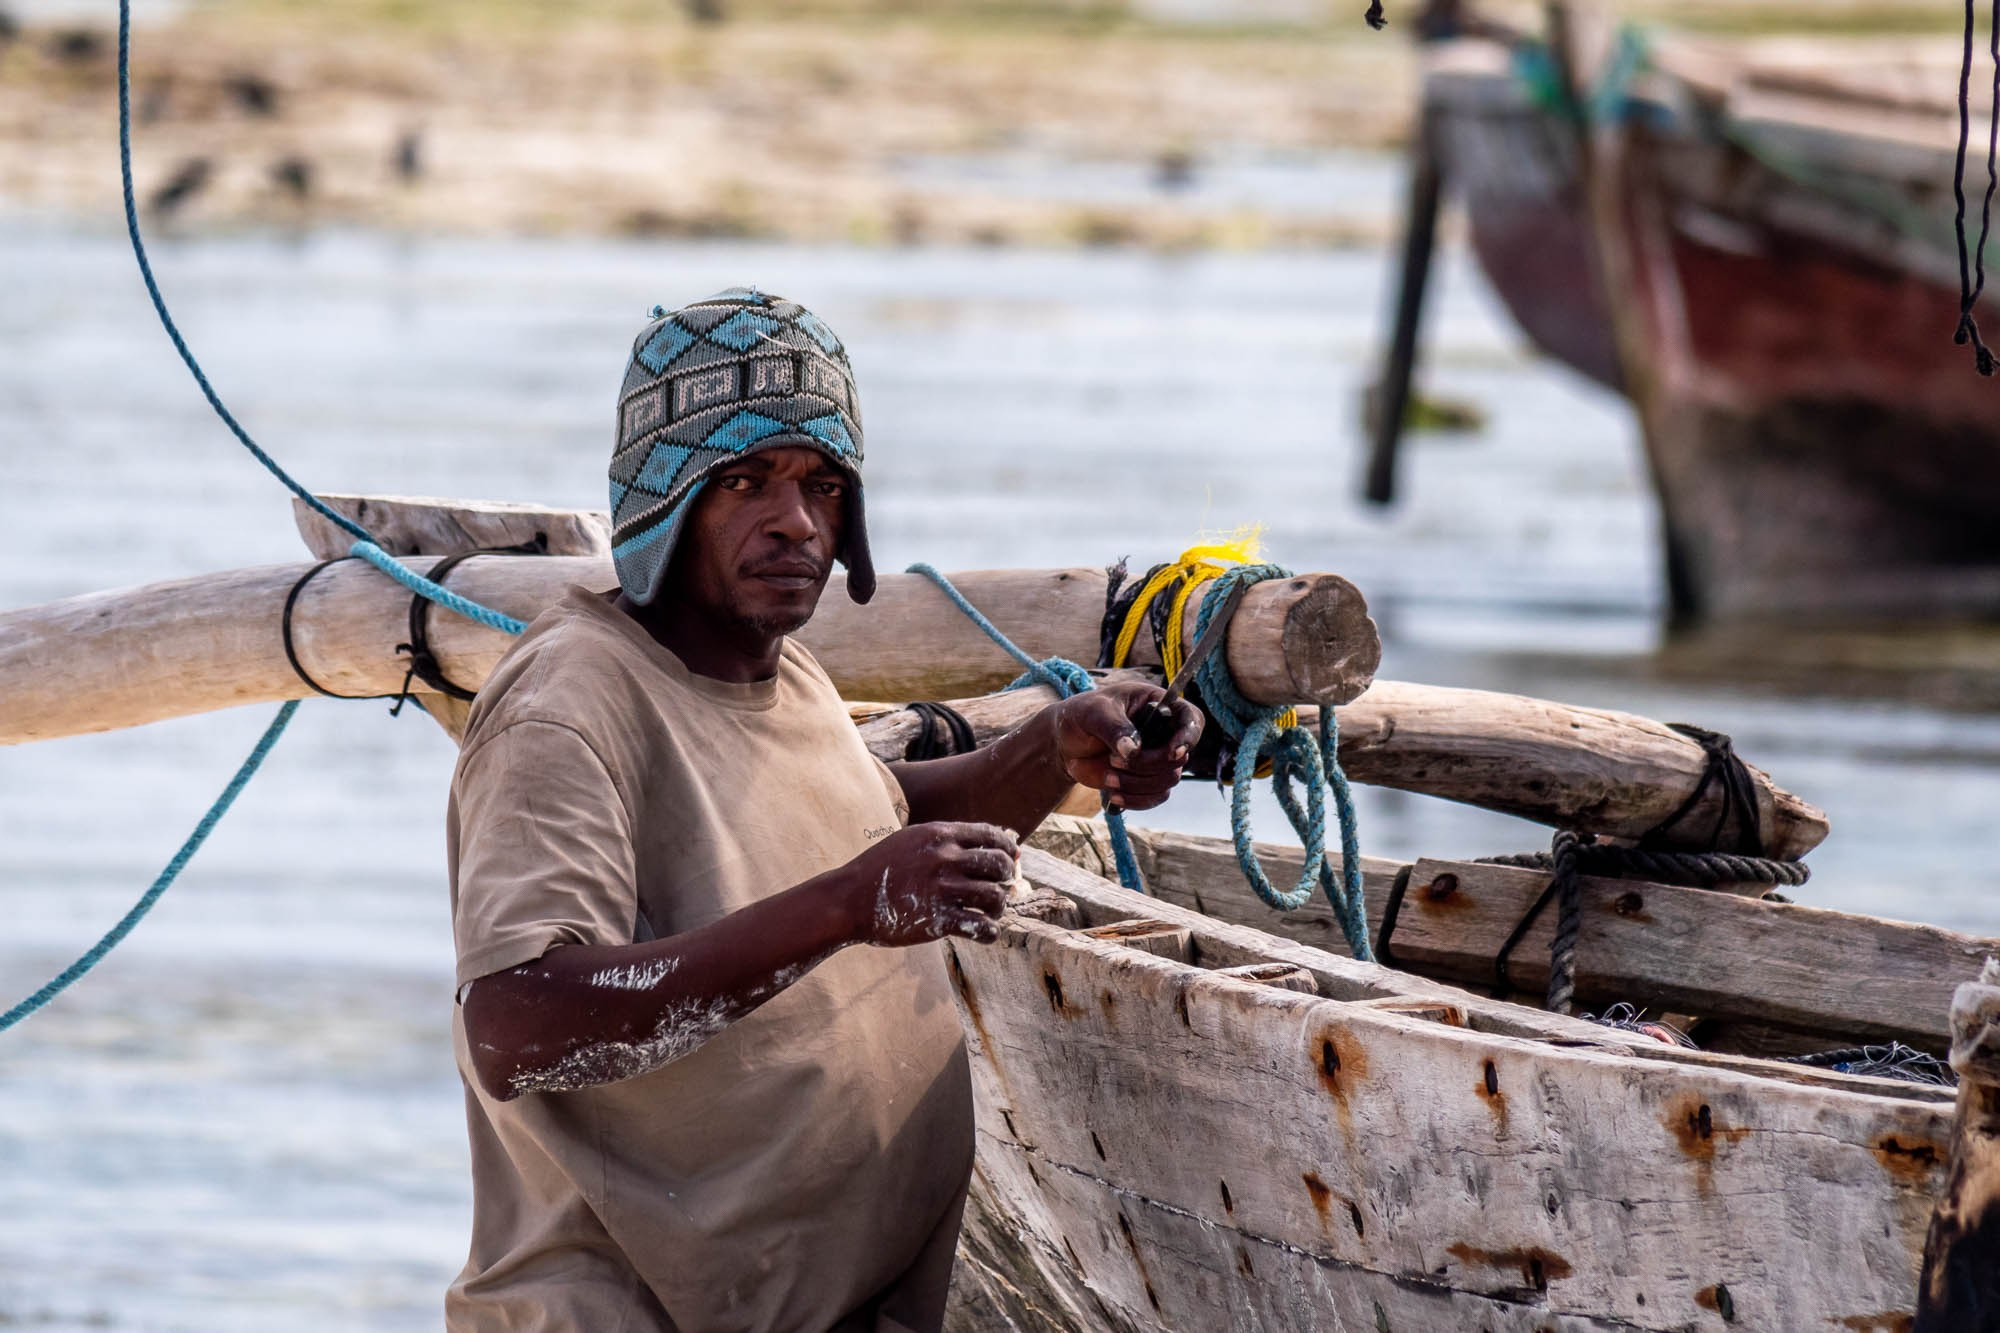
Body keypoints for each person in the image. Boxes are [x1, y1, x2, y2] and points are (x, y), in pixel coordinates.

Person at [444, 288, 1202, 1332]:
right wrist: (849, 905)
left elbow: (866, 818)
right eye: (744, 481)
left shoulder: (778, 674)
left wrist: (1051, 753)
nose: (795, 521)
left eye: (822, 485)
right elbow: (518, 1021)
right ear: (663, 500)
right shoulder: (570, 704)